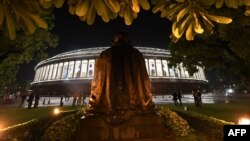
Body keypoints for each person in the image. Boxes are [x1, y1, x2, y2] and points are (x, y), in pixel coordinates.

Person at [88, 32, 155, 122]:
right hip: (133, 101)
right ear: (128, 41)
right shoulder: (136, 54)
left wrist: (95, 102)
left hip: (109, 102)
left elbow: (96, 82)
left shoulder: (104, 55)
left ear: (114, 41)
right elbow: (144, 80)